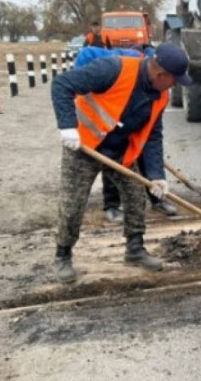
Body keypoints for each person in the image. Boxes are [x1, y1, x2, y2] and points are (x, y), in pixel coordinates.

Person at [51, 42, 193, 284]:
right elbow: (62, 84)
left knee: (136, 196)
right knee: (72, 205)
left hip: (120, 151)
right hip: (84, 147)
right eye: (175, 80)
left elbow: (153, 135)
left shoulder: (161, 94)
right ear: (161, 75)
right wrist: (67, 126)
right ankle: (63, 255)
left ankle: (135, 250)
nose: (176, 85)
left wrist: (156, 175)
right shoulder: (113, 68)